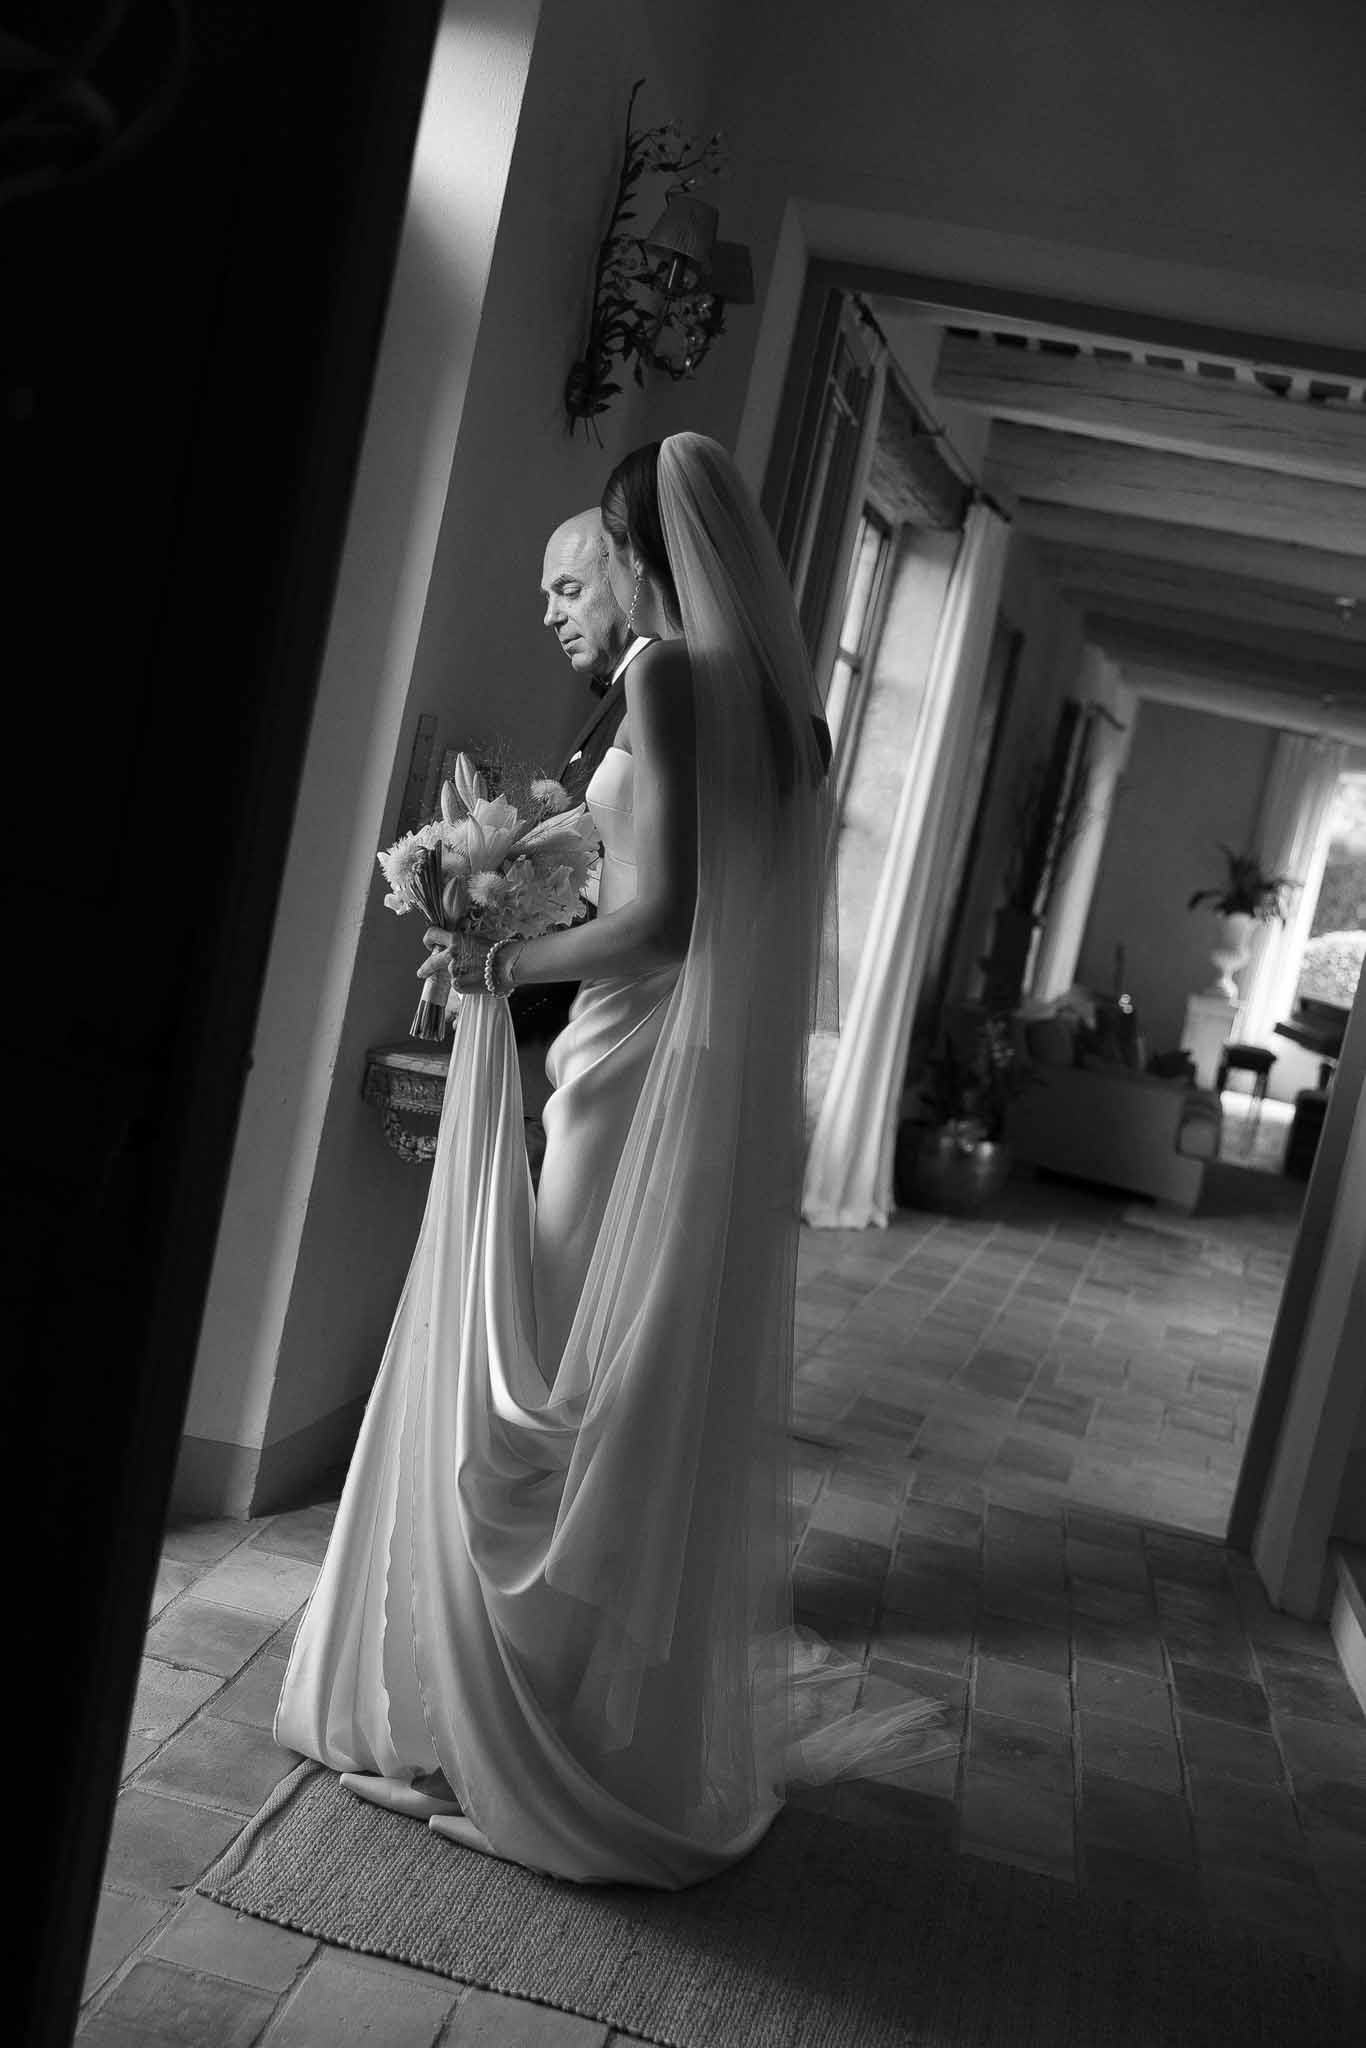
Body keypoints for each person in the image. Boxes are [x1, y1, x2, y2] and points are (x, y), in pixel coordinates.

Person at [275, 433, 937, 1888]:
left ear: (641, 552)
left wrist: (497, 949)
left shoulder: (663, 675)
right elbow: (665, 878)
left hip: (630, 1063)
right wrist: (500, 852)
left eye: (596, 563)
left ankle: (509, 1750)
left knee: (545, 1389)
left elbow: (660, 922)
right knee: (598, 1388)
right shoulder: (776, 708)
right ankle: (539, 1723)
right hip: (665, 1076)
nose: (585, 597)